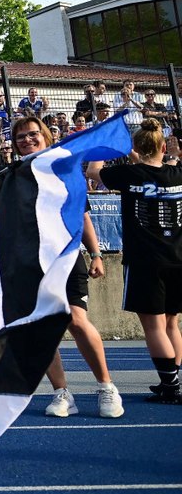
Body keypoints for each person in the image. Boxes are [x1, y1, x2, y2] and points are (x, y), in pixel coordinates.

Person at [0, 116, 123, 418]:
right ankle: (62, 392)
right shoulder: (14, 173)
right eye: (20, 138)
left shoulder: (64, 168)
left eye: (32, 135)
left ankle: (106, 387)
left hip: (66, 258)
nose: (27, 140)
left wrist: (95, 253)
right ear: (14, 145)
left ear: (44, 136)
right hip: (30, 262)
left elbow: (82, 216)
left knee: (77, 321)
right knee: (40, 330)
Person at [88, 118, 182, 404]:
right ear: (164, 147)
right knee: (171, 323)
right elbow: (152, 163)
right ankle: (174, 381)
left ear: (137, 149)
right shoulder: (178, 174)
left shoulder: (129, 174)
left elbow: (94, 171)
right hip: (177, 257)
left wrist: (106, 143)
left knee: (153, 326)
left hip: (145, 260)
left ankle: (171, 386)